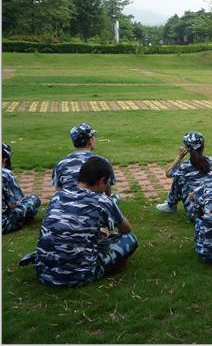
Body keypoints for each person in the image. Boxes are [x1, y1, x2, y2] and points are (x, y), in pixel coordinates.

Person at [24, 156, 138, 287]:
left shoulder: (57, 197)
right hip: (79, 276)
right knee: (130, 238)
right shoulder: (103, 201)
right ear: (102, 181)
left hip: (44, 273)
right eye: (107, 183)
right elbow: (126, 229)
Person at [156, 131, 212, 219]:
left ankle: (170, 205)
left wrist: (179, 157)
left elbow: (168, 173)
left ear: (187, 148)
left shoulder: (184, 167)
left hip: (197, 214)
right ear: (203, 146)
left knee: (179, 178)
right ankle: (170, 205)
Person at [51, 122, 117, 197]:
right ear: (90, 140)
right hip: (95, 205)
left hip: (68, 205)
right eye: (93, 136)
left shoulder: (61, 163)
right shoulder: (102, 162)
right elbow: (107, 189)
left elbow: (59, 190)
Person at [2, 142, 41, 234]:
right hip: (3, 224)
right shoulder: (5, 174)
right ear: (6, 158)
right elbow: (14, 204)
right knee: (33, 199)